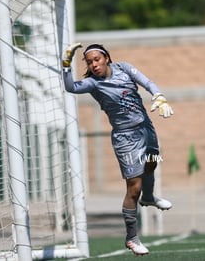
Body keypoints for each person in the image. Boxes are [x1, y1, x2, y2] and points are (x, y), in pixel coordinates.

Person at [62, 43, 174, 255]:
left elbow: (147, 82)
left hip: (146, 127)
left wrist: (158, 95)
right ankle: (132, 238)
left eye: (97, 59)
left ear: (106, 58)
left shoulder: (123, 68)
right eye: (89, 62)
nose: (94, 65)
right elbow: (71, 88)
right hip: (126, 137)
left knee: (151, 163)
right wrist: (66, 65)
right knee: (134, 186)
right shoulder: (93, 83)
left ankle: (149, 198)